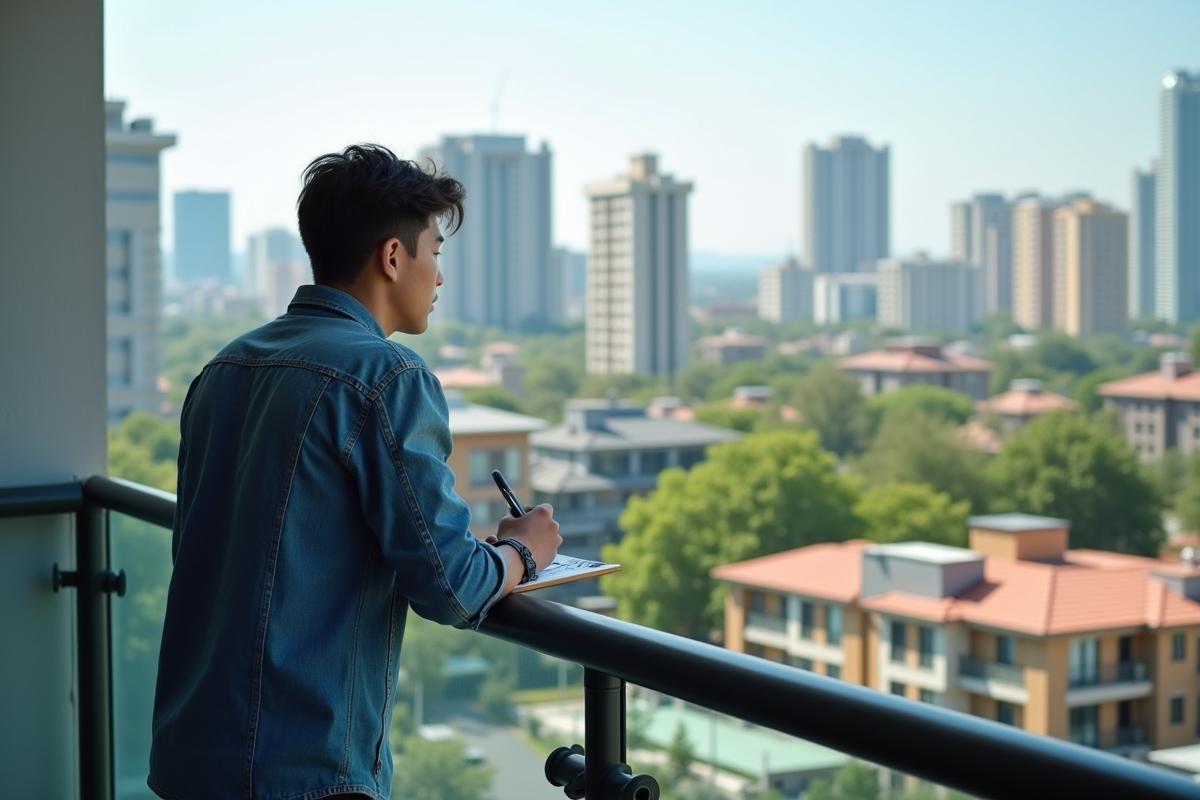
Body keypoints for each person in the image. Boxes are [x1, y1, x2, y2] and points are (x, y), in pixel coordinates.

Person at [148, 144, 561, 800]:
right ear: (393, 258)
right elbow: (451, 586)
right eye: (435, 252)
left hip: (191, 756)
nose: (440, 277)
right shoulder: (387, 377)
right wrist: (521, 551)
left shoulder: (226, 366)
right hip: (302, 771)